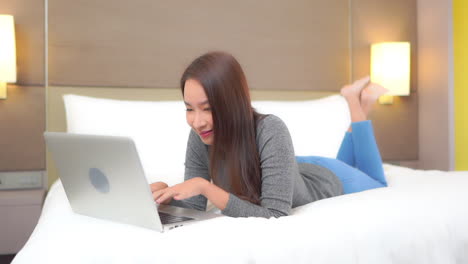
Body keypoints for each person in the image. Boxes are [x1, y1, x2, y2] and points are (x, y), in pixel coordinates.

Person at [150, 51, 388, 218]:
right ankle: (360, 103)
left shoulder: (270, 129)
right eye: (189, 108)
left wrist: (206, 187)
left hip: (328, 178)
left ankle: (358, 103)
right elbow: (193, 207)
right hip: (293, 168)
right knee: (347, 162)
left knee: (377, 181)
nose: (197, 121)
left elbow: (275, 214)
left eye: (208, 108)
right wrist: (164, 195)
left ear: (233, 103)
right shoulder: (200, 135)